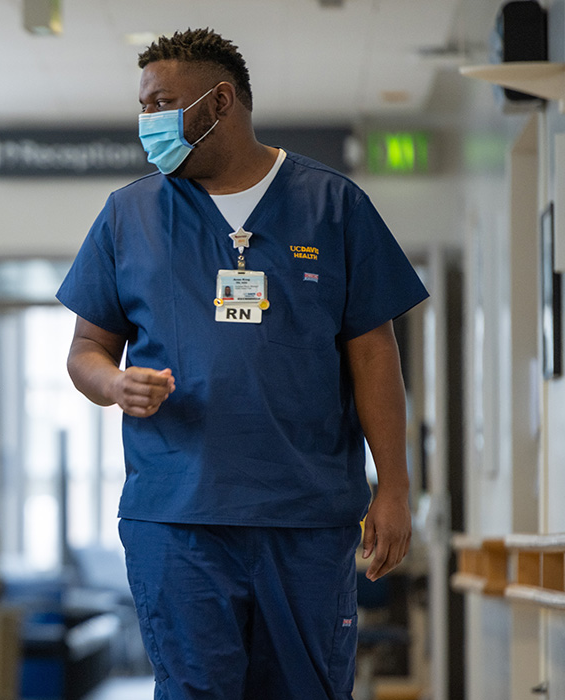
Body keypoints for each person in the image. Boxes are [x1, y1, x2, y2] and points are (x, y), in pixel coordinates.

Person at [56, 29, 427, 700]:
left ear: (219, 101)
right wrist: (114, 383)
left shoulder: (332, 205)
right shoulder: (129, 215)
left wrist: (395, 487)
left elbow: (375, 353)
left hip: (306, 517)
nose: (147, 123)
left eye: (161, 102)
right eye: (142, 106)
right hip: (177, 516)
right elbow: (87, 351)